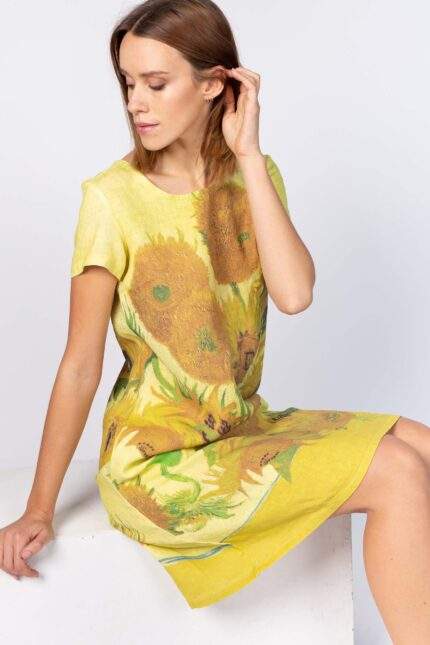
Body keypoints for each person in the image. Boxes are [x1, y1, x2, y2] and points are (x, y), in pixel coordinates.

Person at [1, 0, 429, 638]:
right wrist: (39, 508)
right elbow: (80, 364)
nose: (135, 103)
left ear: (213, 85)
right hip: (158, 462)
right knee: (395, 471)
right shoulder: (111, 200)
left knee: (421, 445)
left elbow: (294, 294)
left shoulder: (253, 176)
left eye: (156, 83)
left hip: (236, 426)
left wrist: (249, 156)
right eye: (128, 83)